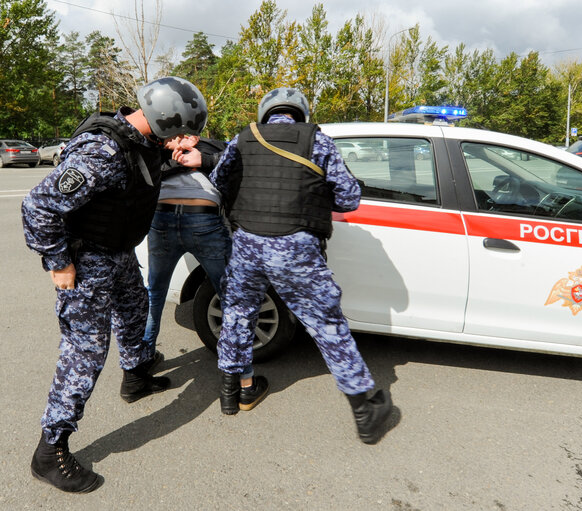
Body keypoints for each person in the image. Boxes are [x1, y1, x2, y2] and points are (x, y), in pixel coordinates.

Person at [21, 76, 208, 493]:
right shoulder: (101, 153)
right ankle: (50, 450)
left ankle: (136, 376)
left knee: (134, 311)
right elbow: (37, 206)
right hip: (87, 263)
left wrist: (180, 154)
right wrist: (59, 262)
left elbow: (142, 172)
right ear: (162, 120)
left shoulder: (139, 140)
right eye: (178, 132)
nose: (180, 139)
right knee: (85, 352)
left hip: (117, 254)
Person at [183, 87, 394, 444]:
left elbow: (218, 183)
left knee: (237, 314)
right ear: (302, 112)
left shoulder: (244, 137)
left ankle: (232, 395)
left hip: (248, 243)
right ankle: (365, 411)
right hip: (296, 247)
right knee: (326, 324)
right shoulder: (319, 142)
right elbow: (349, 198)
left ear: (266, 113)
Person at [141, 134, 232, 364]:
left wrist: (203, 156)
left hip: (170, 219)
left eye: (182, 136)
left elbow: (235, 156)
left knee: (155, 293)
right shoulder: (157, 152)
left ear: (196, 136)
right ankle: (238, 370)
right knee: (229, 294)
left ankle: (142, 361)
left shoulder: (210, 147)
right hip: (192, 218)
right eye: (170, 138)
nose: (176, 142)